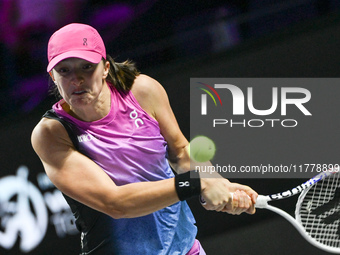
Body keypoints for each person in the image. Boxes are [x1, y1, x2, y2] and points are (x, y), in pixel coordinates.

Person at [31, 23, 258, 255]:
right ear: (52, 76)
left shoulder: (142, 91)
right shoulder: (51, 134)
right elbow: (115, 203)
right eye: (64, 70)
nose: (76, 79)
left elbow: (180, 151)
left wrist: (217, 183)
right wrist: (197, 183)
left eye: (86, 67)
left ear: (105, 68)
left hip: (186, 249)